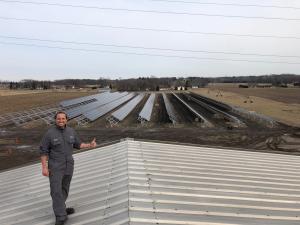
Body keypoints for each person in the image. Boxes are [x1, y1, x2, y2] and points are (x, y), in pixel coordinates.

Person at [40, 111, 96, 225]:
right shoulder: (49, 134)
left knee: (64, 189)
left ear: (67, 120)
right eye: (59, 119)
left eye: (63, 118)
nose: (61, 120)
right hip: (55, 166)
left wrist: (89, 145)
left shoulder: (71, 131)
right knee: (56, 191)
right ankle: (61, 217)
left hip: (69, 165)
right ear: (55, 120)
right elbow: (43, 152)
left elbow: (78, 144)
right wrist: (44, 168)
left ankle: (62, 209)